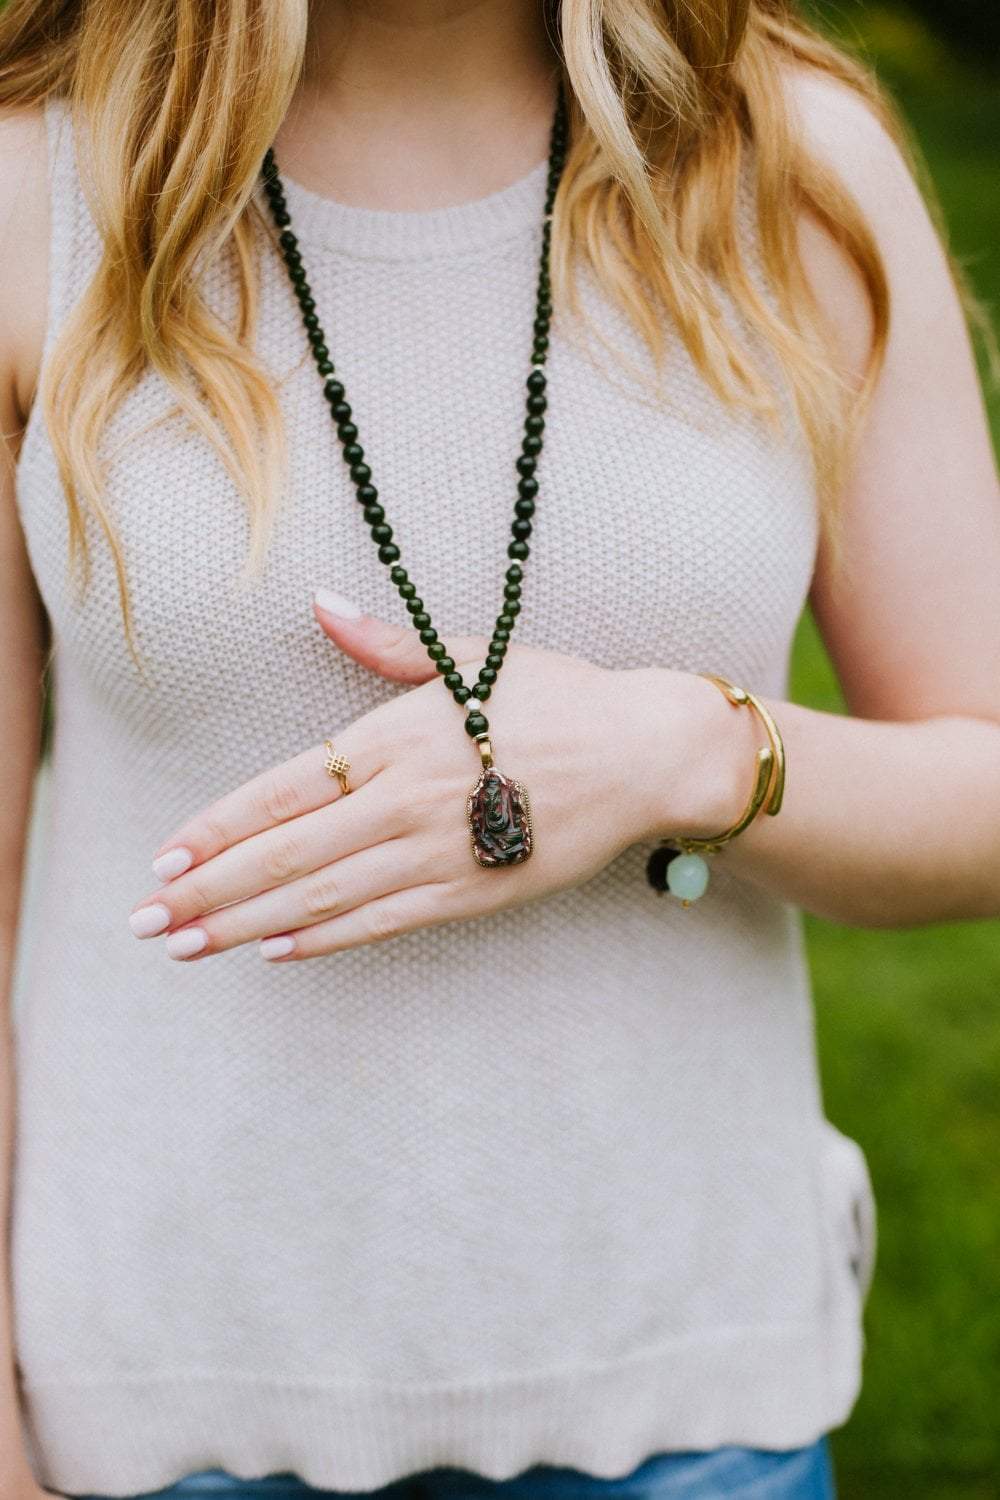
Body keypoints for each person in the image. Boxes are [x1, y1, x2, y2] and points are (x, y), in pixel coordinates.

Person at [1, 1, 998, 1498]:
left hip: (688, 1411)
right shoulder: (38, 185)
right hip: (156, 1412)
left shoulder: (787, 161)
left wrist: (685, 753)